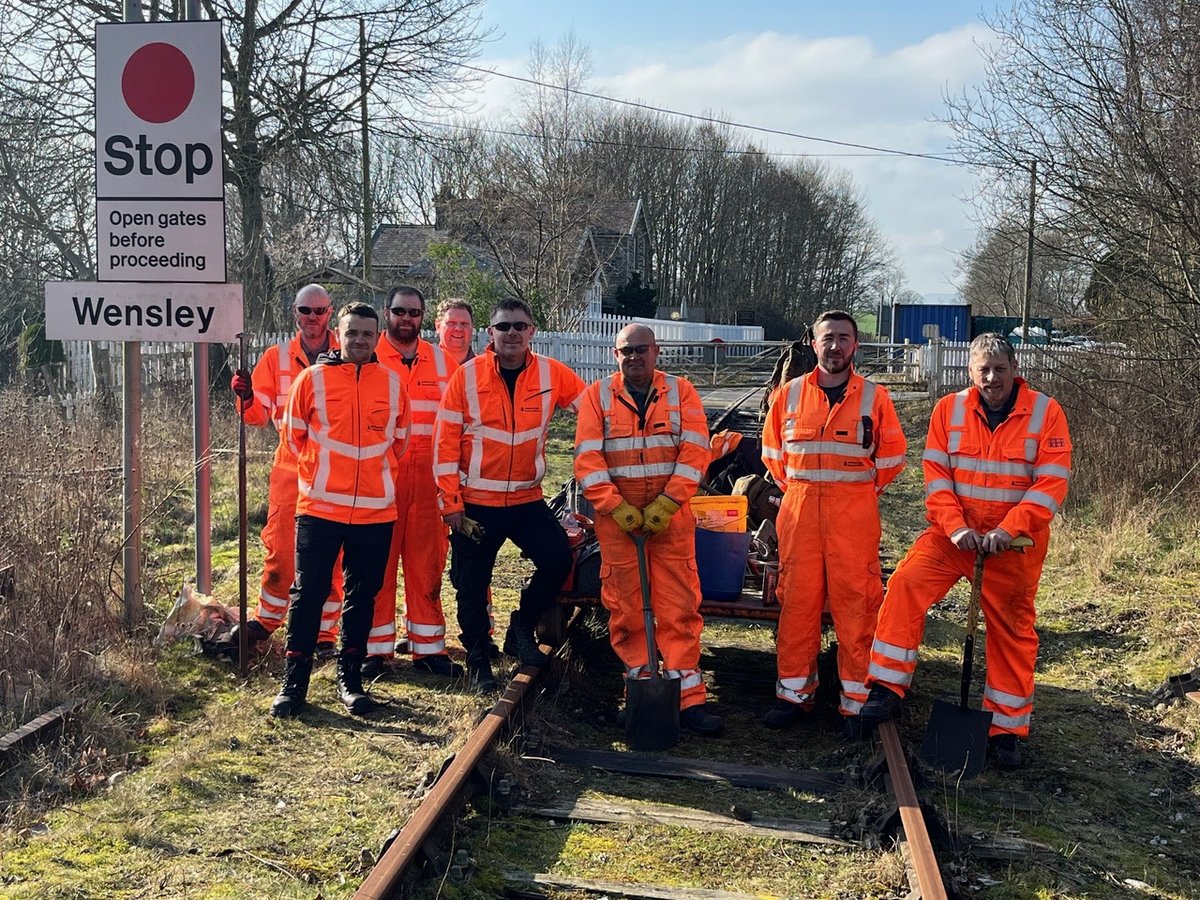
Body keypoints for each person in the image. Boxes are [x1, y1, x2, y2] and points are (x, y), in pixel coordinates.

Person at [861, 333, 1071, 768]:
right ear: (970, 371)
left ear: (1015, 369)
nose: (991, 378)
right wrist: (955, 527)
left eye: (999, 369)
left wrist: (1008, 529)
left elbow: (1050, 484)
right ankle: (886, 687)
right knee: (904, 585)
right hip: (951, 538)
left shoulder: (1046, 413)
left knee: (1011, 632)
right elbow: (936, 476)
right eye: (983, 370)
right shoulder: (949, 409)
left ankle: (1006, 730)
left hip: (1012, 547)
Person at [760, 310, 907, 739]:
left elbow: (893, 457)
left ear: (855, 345)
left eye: (844, 338)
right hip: (799, 510)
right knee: (797, 605)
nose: (835, 346)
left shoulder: (875, 397)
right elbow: (773, 454)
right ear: (814, 343)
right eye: (828, 338)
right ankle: (793, 695)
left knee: (857, 607)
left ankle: (855, 703)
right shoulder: (788, 395)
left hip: (853, 514)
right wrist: (804, 490)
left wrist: (855, 493)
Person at [574, 324, 724, 736]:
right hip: (618, 524)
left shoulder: (681, 391)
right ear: (615, 355)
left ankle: (688, 699)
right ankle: (641, 692)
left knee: (679, 607)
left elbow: (695, 450)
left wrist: (669, 501)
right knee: (627, 609)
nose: (634, 357)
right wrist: (614, 506)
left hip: (670, 519)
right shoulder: (597, 396)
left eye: (642, 350)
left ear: (656, 352)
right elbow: (587, 459)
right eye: (626, 351)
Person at [433, 297, 586, 690]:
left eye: (520, 326)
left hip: (525, 499)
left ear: (532, 331)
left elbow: (593, 409)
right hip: (476, 503)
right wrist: (450, 503)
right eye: (504, 326)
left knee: (557, 559)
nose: (512, 333)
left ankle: (522, 626)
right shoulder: (467, 377)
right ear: (491, 333)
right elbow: (444, 444)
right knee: (471, 584)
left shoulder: (552, 373)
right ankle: (478, 661)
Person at [270, 302, 411, 718]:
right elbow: (293, 439)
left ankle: (351, 681)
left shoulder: (393, 383)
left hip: (375, 513)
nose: (359, 340)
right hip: (319, 509)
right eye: (352, 333)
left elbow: (399, 442)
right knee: (308, 595)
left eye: (367, 333)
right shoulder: (311, 380)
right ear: (339, 333)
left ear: (377, 336)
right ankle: (294, 684)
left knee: (362, 598)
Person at [229, 284, 342, 657]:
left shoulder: (346, 352)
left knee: (331, 552)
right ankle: (267, 620)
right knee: (280, 545)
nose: (313, 318)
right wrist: (246, 396)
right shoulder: (276, 357)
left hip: (335, 466)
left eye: (320, 311)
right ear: (295, 312)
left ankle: (325, 633)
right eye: (305, 310)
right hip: (290, 464)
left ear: (330, 313)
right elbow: (257, 415)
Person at [364, 285, 462, 679]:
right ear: (386, 312)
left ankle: (428, 648)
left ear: (423, 317)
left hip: (428, 480)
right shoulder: (368, 357)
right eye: (400, 311)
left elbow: (459, 423)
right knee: (377, 566)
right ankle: (374, 650)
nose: (407, 319)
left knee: (427, 566)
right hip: (380, 480)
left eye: (414, 313)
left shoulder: (443, 362)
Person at [435, 298, 477, 364]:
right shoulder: (420, 365)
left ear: (472, 327)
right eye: (451, 323)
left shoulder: (486, 367)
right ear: (438, 326)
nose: (458, 329)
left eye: (464, 324)